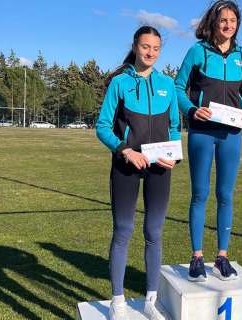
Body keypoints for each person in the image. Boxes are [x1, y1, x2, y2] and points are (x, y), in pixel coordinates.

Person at [96, 26, 180, 320]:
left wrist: (173, 157)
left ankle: (150, 301)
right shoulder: (119, 83)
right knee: (123, 231)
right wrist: (125, 150)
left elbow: (173, 127)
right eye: (146, 47)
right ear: (135, 46)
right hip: (126, 166)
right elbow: (102, 127)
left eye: (156, 48)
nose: (151, 53)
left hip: (159, 169)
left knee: (154, 232)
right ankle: (117, 302)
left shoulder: (167, 85)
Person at [174, 0, 242, 282]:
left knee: (226, 195)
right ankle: (197, 257)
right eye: (223, 19)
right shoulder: (197, 51)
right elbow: (177, 88)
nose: (228, 24)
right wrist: (192, 110)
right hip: (202, 133)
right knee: (200, 194)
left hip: (231, 135)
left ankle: (222, 256)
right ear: (213, 22)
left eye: (233, 20)